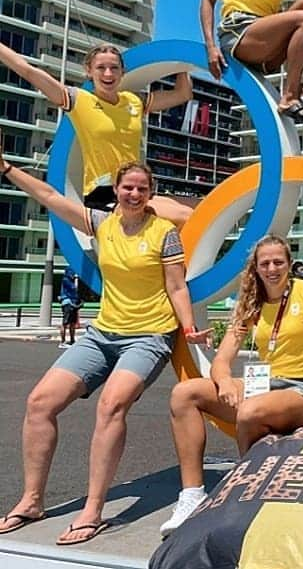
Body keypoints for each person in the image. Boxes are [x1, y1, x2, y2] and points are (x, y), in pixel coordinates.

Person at [0, 160, 209, 545]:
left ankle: (93, 509)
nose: (134, 194)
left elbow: (177, 287)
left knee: (111, 405)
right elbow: (48, 196)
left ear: (151, 194)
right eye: (127, 187)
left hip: (148, 336)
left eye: (142, 189)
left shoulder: (165, 233)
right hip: (103, 334)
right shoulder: (101, 224)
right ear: (116, 189)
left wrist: (188, 327)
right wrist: (7, 168)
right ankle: (31, 501)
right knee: (39, 403)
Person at [161, 234, 303, 537]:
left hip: (300, 390)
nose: (272, 268)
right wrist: (225, 381)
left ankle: (245, 496)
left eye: (278, 262)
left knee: (249, 411)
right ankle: (192, 495)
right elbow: (222, 359)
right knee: (184, 393)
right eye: (265, 263)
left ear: (289, 264)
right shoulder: (252, 302)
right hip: (262, 385)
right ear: (255, 267)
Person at [0, 42, 196, 225]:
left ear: (122, 72)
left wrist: (182, 64)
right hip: (104, 195)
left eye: (114, 68)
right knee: (186, 216)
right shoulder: (78, 101)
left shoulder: (133, 100)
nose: (108, 74)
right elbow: (28, 71)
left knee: (200, 207)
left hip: (137, 190)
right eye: (101, 68)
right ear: (89, 71)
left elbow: (182, 94)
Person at [58, 266, 82, 349]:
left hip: (73, 303)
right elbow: (74, 288)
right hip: (67, 303)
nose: (73, 274)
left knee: (72, 323)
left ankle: (72, 340)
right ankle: (62, 342)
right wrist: (76, 279)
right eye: (72, 272)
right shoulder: (66, 280)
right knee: (65, 323)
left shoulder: (69, 280)